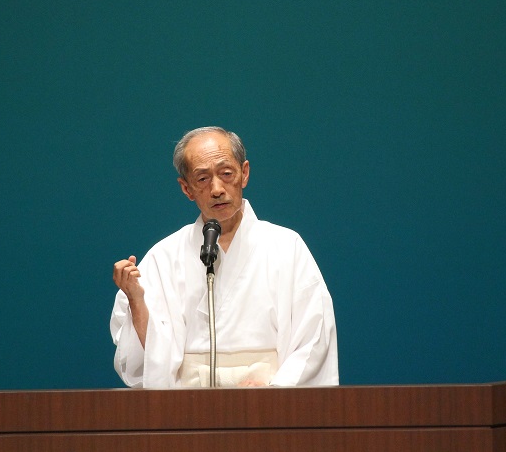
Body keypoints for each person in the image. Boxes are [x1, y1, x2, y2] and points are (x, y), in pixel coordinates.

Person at [110, 126, 338, 387]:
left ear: (244, 173)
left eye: (226, 173)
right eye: (203, 179)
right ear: (186, 188)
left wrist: (274, 394)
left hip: (272, 405)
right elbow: (149, 362)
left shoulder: (287, 247)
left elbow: (314, 337)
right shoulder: (164, 257)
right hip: (188, 408)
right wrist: (137, 301)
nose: (217, 189)